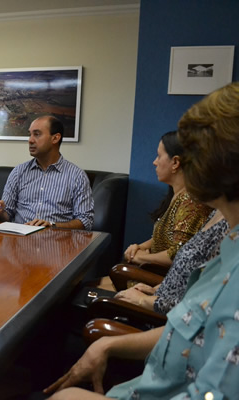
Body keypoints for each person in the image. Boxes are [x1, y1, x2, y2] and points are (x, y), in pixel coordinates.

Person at [44, 81, 239, 400]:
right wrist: (109, 344)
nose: (188, 165)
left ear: (222, 165)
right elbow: (188, 325)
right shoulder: (228, 239)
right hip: (149, 378)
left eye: (196, 154)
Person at [122, 131, 212, 267]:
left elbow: (179, 253)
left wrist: (142, 258)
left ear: (175, 162)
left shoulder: (190, 202)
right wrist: (139, 247)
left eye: (159, 156)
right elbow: (167, 238)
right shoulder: (178, 195)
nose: (154, 162)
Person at [0, 115, 94, 230]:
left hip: (56, 238)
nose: (30, 140)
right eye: (30, 134)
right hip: (20, 238)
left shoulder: (77, 176)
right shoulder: (19, 172)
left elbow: (85, 221)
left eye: (37, 134)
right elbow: (6, 216)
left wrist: (52, 225)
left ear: (55, 138)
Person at [114, 209, 228, 314]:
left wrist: (142, 300)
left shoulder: (229, 231)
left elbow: (198, 306)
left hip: (167, 319)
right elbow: (185, 277)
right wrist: (155, 289)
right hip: (160, 300)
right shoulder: (216, 214)